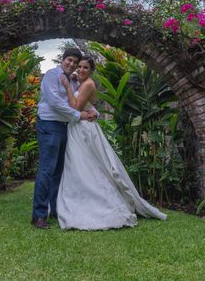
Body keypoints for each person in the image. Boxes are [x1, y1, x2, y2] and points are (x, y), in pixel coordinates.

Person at [56, 56, 167, 230]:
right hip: (77, 127)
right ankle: (79, 198)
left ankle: (101, 203)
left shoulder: (89, 84)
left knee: (89, 165)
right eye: (79, 67)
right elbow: (90, 108)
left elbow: (76, 107)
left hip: (84, 129)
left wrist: (68, 87)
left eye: (86, 67)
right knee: (78, 165)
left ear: (92, 70)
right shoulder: (80, 81)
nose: (81, 70)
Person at [31, 48, 96, 229]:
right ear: (62, 59)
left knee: (59, 171)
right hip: (49, 125)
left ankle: (55, 209)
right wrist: (79, 116)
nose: (72, 64)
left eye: (75, 62)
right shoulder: (52, 76)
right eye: (69, 60)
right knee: (47, 170)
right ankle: (38, 216)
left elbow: (79, 101)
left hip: (64, 127)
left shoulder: (73, 81)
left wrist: (93, 113)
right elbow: (56, 103)